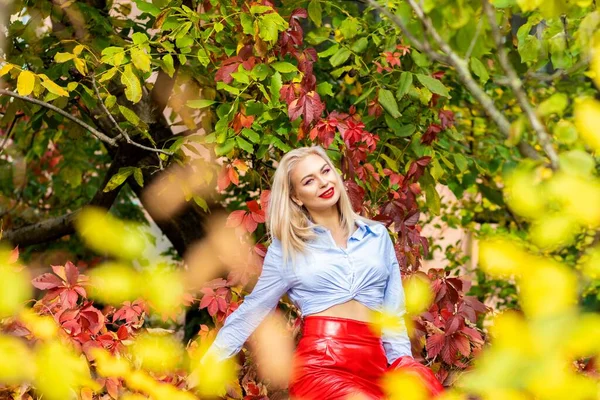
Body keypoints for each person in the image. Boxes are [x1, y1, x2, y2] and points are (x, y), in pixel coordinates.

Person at [201, 145, 443, 399]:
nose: (323, 182)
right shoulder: (288, 248)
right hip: (321, 366)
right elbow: (255, 308)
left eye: (325, 171)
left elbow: (393, 313)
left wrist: (402, 365)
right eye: (309, 181)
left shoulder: (377, 236)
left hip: (375, 366)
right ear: (296, 197)